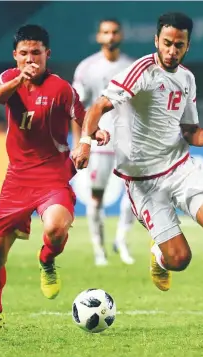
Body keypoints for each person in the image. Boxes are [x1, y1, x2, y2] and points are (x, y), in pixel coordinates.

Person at [72, 12, 203, 331]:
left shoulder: (187, 79)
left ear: (187, 46)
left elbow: (190, 131)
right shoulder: (139, 72)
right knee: (180, 259)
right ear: (156, 42)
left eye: (179, 45)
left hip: (180, 167)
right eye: (167, 43)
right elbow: (96, 108)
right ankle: (160, 257)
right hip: (143, 183)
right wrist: (85, 142)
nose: (172, 50)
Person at [0, 24, 109, 331]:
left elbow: (83, 116)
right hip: (16, 180)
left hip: (53, 176)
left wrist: (92, 137)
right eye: (23, 54)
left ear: (47, 54)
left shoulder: (61, 88)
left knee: (54, 227)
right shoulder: (9, 80)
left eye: (36, 53)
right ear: (15, 55)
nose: (30, 59)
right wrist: (17, 83)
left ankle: (47, 261)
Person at [72, 19, 135, 266]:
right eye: (106, 33)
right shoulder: (87, 68)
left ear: (121, 35)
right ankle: (99, 250)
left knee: (134, 194)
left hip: (128, 141)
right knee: (96, 196)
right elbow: (76, 108)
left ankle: (121, 240)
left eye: (114, 32)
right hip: (98, 142)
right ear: (99, 37)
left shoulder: (131, 67)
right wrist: (79, 142)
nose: (110, 37)